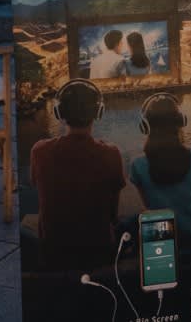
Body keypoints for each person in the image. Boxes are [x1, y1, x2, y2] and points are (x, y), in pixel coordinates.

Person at [30, 80, 126, 274]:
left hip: (53, 254)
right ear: (98, 112)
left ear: (59, 113)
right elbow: (113, 215)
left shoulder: (39, 151)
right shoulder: (111, 153)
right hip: (99, 253)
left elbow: (38, 189)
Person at [126, 93, 191, 249]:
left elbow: (148, 205)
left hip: (164, 238)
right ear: (181, 122)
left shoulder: (137, 165)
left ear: (145, 126)